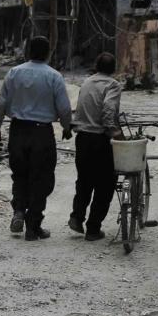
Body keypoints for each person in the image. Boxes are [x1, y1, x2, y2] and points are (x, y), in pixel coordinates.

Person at [0, 36, 72, 241]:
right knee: (41, 179)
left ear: (27, 52)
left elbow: (1, 104)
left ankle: (19, 209)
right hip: (42, 133)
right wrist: (67, 127)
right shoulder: (54, 76)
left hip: (18, 131)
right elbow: (64, 108)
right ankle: (33, 227)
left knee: (20, 175)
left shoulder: (14, 73)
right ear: (48, 53)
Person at [67, 53, 122, 241]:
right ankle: (93, 228)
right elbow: (108, 110)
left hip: (82, 139)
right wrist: (115, 132)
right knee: (105, 185)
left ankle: (76, 217)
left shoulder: (87, 82)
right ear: (113, 68)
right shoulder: (113, 85)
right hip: (100, 140)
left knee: (84, 181)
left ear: (96, 66)